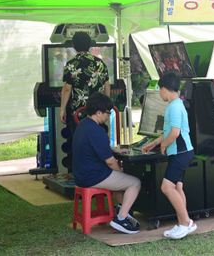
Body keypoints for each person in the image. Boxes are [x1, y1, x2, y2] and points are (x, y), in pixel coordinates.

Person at [72, 92, 141, 234]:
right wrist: (121, 174)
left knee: (119, 183)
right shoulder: (97, 131)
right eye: (107, 113)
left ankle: (122, 210)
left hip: (82, 175)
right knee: (134, 183)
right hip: (93, 176)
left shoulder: (83, 124)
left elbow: (94, 145)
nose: (108, 116)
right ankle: (121, 219)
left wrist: (114, 149)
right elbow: (110, 162)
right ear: (98, 113)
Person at [142, 73, 197, 239]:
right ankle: (184, 223)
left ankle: (186, 223)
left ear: (164, 89)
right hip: (181, 152)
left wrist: (164, 145)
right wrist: (156, 143)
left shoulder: (173, 106)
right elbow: (168, 132)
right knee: (177, 187)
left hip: (181, 153)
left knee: (166, 187)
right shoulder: (177, 104)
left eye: (159, 90)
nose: (160, 93)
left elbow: (175, 133)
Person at [60, 32, 110, 133]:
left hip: (79, 112)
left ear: (73, 45)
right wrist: (107, 107)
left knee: (81, 140)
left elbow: (67, 89)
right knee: (98, 140)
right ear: (89, 46)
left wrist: (62, 109)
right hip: (98, 112)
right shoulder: (100, 63)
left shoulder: (71, 65)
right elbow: (107, 86)